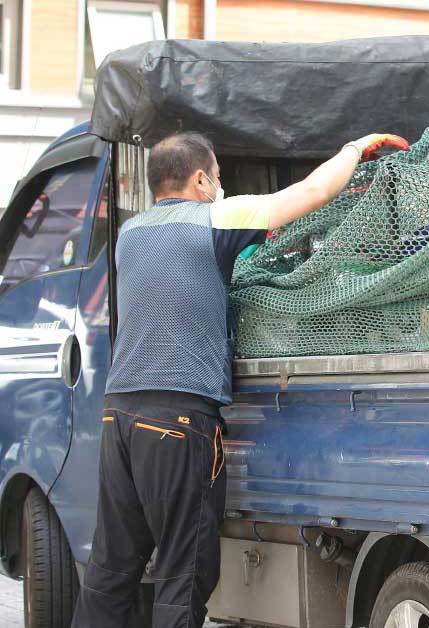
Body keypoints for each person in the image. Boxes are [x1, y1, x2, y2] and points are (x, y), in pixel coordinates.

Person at [72, 131, 407, 627]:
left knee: (111, 568)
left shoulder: (130, 234)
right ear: (201, 179)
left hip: (119, 413)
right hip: (178, 418)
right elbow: (311, 195)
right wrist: (354, 150)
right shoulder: (214, 217)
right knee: (182, 572)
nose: (222, 188)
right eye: (220, 179)